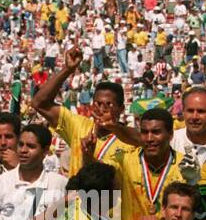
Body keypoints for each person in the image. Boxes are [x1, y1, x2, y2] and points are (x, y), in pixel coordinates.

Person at [30, 46, 134, 176]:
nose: (102, 109)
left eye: (109, 104)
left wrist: (88, 157)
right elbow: (39, 103)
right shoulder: (79, 126)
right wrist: (67, 70)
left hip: (110, 196)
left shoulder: (130, 141)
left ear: (122, 109)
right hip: (78, 196)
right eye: (98, 103)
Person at [0, 122, 67, 220]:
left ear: (45, 151)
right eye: (21, 145)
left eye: (31, 146)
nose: (23, 150)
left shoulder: (60, 184)